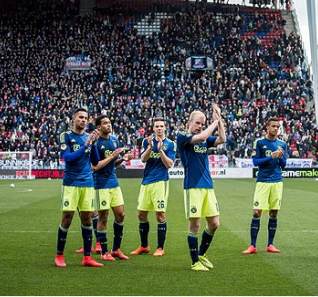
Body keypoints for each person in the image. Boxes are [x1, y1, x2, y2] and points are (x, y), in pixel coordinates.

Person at [176, 104, 226, 271]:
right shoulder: (182, 136)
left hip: (208, 186)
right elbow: (202, 136)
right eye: (197, 123)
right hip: (193, 186)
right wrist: (214, 122)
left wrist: (219, 120)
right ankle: (194, 262)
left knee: (214, 223)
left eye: (202, 124)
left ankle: (202, 254)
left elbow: (222, 139)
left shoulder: (205, 138)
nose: (199, 127)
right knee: (195, 225)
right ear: (189, 122)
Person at [54, 108, 102, 268]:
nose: (83, 120)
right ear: (73, 119)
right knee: (67, 219)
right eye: (80, 117)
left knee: (87, 218)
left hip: (87, 183)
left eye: (86, 118)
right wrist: (86, 145)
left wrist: (93, 144)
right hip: (71, 184)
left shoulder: (89, 138)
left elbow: (95, 161)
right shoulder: (66, 136)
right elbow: (68, 158)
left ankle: (87, 257)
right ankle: (59, 255)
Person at [130, 117, 176, 257]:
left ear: (165, 128)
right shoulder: (146, 141)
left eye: (162, 126)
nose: (159, 128)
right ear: (153, 128)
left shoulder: (171, 144)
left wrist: (161, 150)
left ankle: (160, 248)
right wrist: (151, 147)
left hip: (160, 182)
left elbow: (169, 164)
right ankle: (144, 246)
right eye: (157, 126)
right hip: (146, 181)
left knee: (160, 215)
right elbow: (143, 159)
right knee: (141, 214)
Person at [242, 116, 287, 255]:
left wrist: (280, 158)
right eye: (273, 126)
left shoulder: (282, 144)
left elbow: (283, 165)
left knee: (274, 213)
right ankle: (252, 245)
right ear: (267, 127)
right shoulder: (260, 142)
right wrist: (271, 157)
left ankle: (270, 244)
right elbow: (256, 162)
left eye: (277, 126)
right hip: (263, 181)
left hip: (277, 182)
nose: (275, 129)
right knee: (257, 212)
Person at [91, 115, 132, 261]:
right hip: (100, 184)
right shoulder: (95, 143)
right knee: (103, 217)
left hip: (114, 182)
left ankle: (116, 249)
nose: (109, 125)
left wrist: (122, 159)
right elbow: (95, 167)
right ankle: (104, 252)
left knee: (121, 215)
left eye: (109, 122)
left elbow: (112, 164)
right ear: (98, 127)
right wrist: (113, 156)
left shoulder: (114, 140)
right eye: (105, 123)